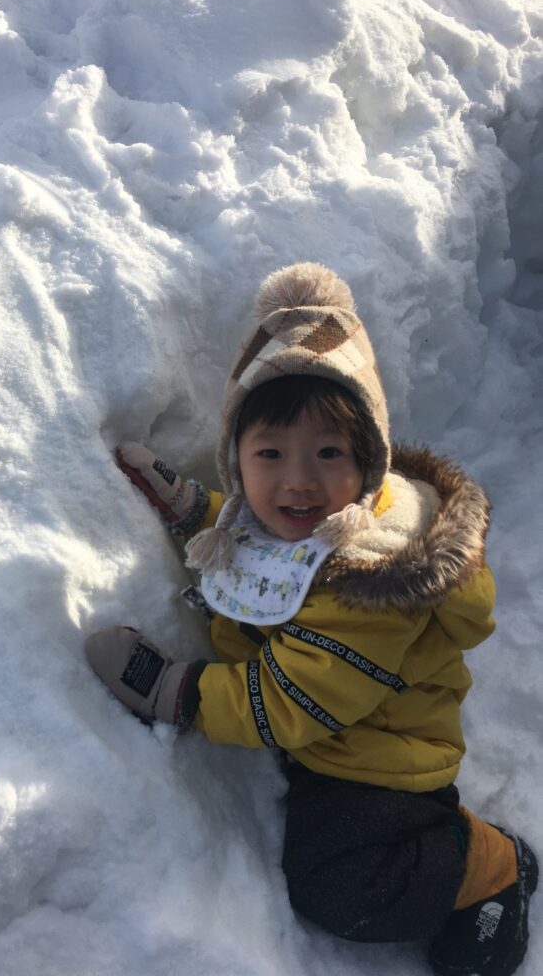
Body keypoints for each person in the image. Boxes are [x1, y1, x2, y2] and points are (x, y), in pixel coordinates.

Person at [85, 262, 537, 976]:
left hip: (379, 763)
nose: (298, 480)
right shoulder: (294, 522)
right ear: (237, 462)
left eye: (328, 453)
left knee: (336, 888)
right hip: (334, 741)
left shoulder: (372, 583)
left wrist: (177, 691)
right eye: (270, 454)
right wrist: (192, 512)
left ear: (370, 463)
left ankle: (490, 865)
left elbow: (290, 699)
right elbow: (259, 549)